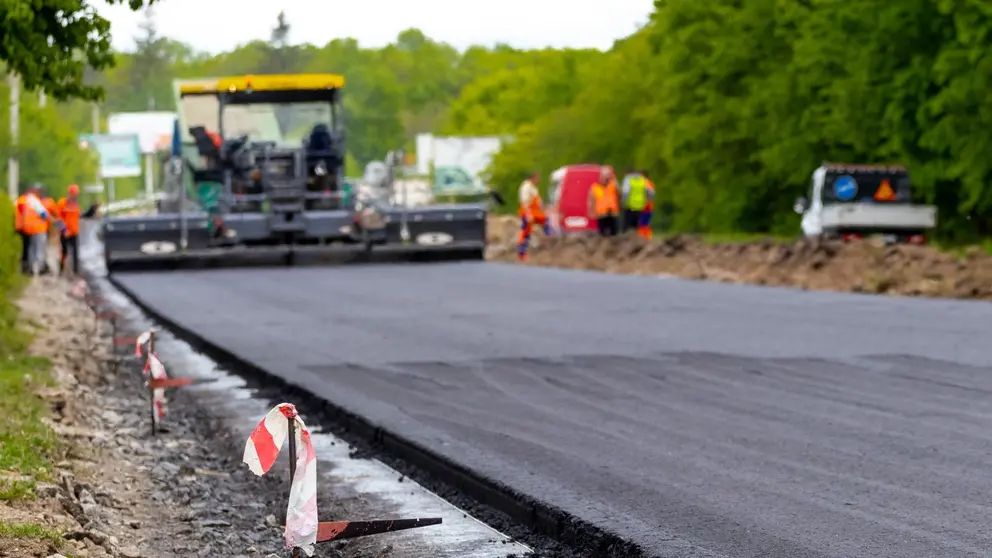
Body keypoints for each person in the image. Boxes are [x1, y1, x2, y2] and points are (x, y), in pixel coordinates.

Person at [20, 186, 54, 276]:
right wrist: (60, 225)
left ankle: (30, 268)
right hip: (39, 229)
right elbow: (44, 214)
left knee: (31, 249)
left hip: (28, 230)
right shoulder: (35, 202)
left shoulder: (25, 201)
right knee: (40, 249)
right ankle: (41, 268)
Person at [517, 171, 550, 260]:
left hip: (535, 212)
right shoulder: (526, 187)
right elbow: (524, 202)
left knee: (545, 222)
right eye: (537, 178)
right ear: (533, 178)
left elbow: (538, 201)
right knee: (526, 232)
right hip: (528, 213)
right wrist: (528, 215)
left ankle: (548, 240)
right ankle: (522, 253)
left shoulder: (533, 187)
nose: (538, 180)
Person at [56, 185, 81, 276]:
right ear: (69, 193)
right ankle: (61, 270)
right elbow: (59, 219)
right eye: (74, 194)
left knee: (75, 252)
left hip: (74, 232)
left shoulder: (76, 204)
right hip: (65, 232)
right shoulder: (62, 203)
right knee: (64, 251)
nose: (75, 196)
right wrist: (64, 230)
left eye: (76, 194)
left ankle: (75, 271)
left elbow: (79, 216)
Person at [587, 167, 619, 236]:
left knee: (614, 234)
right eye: (604, 177)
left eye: (606, 177)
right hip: (601, 214)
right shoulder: (595, 187)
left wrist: (613, 177)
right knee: (602, 234)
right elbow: (591, 201)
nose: (605, 179)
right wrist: (591, 212)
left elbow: (619, 192)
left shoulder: (612, 185)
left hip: (612, 213)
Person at [621, 169, 653, 234]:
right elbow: (651, 192)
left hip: (629, 206)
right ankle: (636, 240)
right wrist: (648, 200)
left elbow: (625, 192)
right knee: (636, 226)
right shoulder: (643, 180)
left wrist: (623, 203)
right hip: (640, 206)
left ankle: (626, 241)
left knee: (627, 226)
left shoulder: (628, 179)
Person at [637, 170, 657, 240]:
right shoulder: (649, 183)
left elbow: (651, 193)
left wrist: (646, 202)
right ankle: (647, 237)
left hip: (646, 207)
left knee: (642, 224)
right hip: (648, 207)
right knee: (645, 223)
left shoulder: (645, 183)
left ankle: (644, 238)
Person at [13, 191, 29, 273]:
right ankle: (24, 266)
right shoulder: (26, 202)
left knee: (21, 247)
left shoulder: (17, 201)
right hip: (24, 228)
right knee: (26, 248)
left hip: (17, 228)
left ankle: (22, 265)